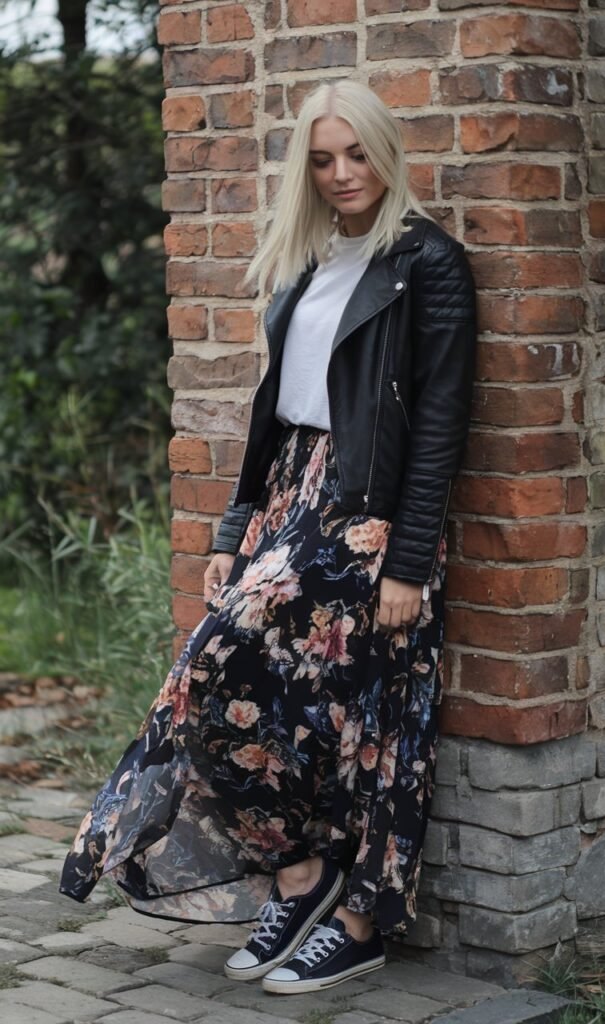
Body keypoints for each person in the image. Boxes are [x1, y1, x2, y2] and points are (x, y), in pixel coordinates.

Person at [59, 78, 477, 995]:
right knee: (240, 696)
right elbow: (272, 411)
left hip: (365, 513)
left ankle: (360, 922)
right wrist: (235, 527)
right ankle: (300, 875)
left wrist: (408, 561)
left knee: (357, 717)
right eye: (323, 159)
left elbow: (441, 422)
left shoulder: (427, 262)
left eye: (357, 153)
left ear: (386, 151)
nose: (342, 173)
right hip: (292, 496)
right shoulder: (306, 261)